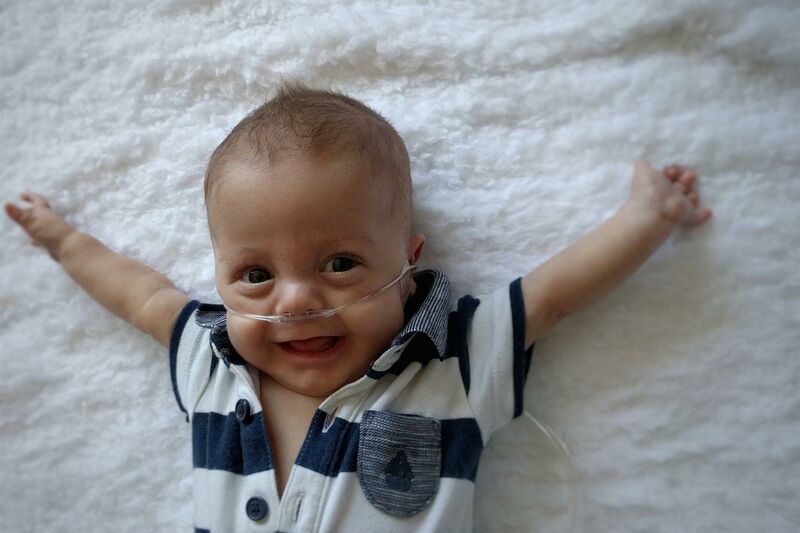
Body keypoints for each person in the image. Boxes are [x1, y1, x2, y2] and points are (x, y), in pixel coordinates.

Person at [4, 80, 712, 532]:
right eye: (255, 273)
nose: (297, 301)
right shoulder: (212, 357)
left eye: (340, 264)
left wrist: (647, 217)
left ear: (408, 262)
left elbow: (554, 295)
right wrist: (63, 240)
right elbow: (142, 295)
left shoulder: (449, 363)